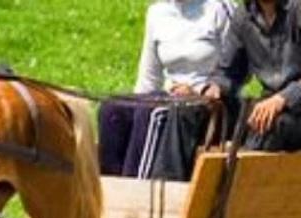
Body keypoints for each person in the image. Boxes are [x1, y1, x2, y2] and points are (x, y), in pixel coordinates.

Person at [99, 0, 236, 179]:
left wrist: (200, 91)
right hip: (168, 96)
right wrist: (133, 105)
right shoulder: (157, 13)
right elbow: (149, 77)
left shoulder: (220, 9)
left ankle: (138, 190)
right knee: (112, 108)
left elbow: (237, 67)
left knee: (150, 112)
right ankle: (109, 188)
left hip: (209, 104)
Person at [203, 0, 301, 151]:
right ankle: (166, 174)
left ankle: (238, 165)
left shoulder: (297, 8)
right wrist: (215, 86)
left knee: (270, 125)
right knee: (194, 112)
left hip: (295, 108)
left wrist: (284, 98)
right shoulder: (243, 15)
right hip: (262, 103)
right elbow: (226, 70)